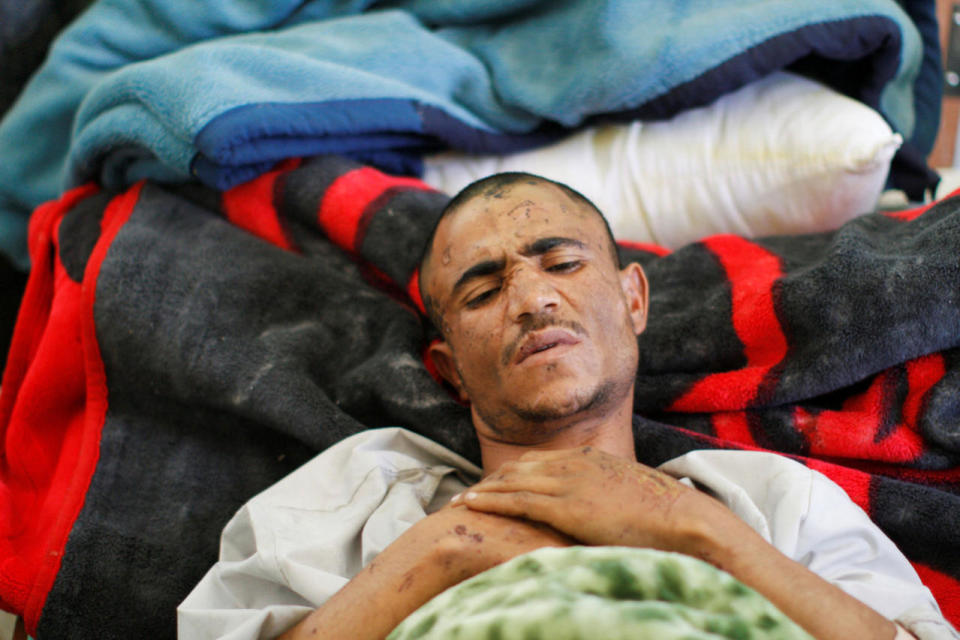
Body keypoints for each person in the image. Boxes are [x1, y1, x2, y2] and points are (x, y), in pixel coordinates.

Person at [178, 173, 956, 640]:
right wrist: (443, 553)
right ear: (447, 369)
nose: (532, 299)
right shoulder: (358, 494)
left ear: (633, 298)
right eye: (483, 290)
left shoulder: (767, 500)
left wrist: (699, 536)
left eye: (562, 261)